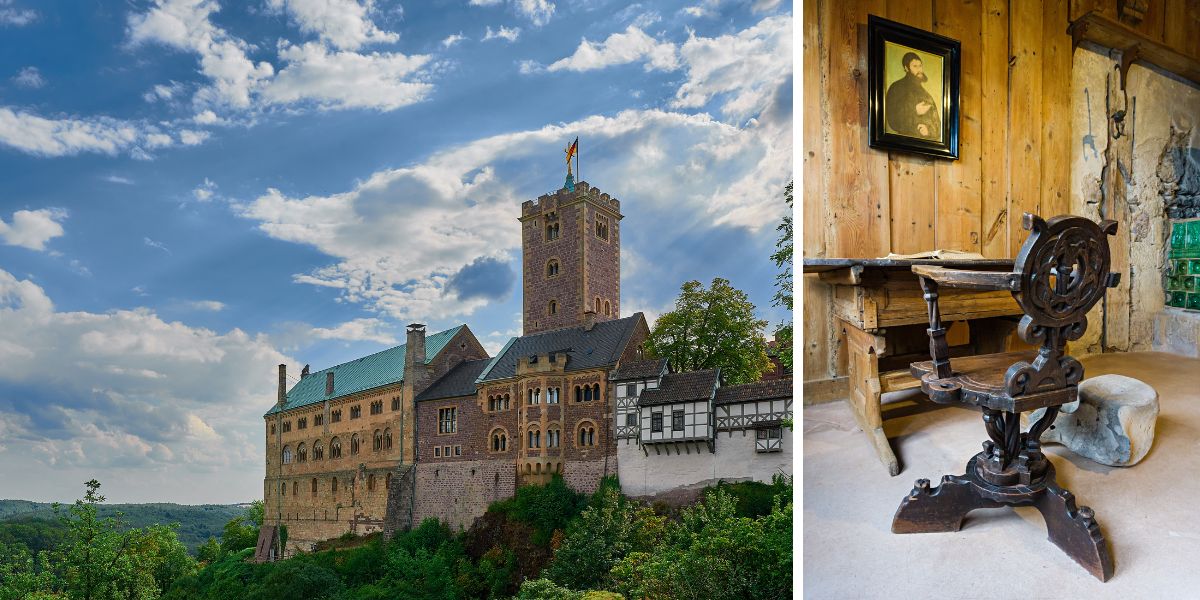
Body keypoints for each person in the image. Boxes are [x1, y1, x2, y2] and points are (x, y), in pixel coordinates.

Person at [885, 51, 939, 139]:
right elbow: (892, 119)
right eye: (915, 66)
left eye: (920, 66)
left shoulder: (926, 95)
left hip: (926, 143)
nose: (919, 70)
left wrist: (928, 130)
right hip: (904, 142)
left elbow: (938, 125)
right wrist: (914, 111)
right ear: (906, 68)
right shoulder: (896, 87)